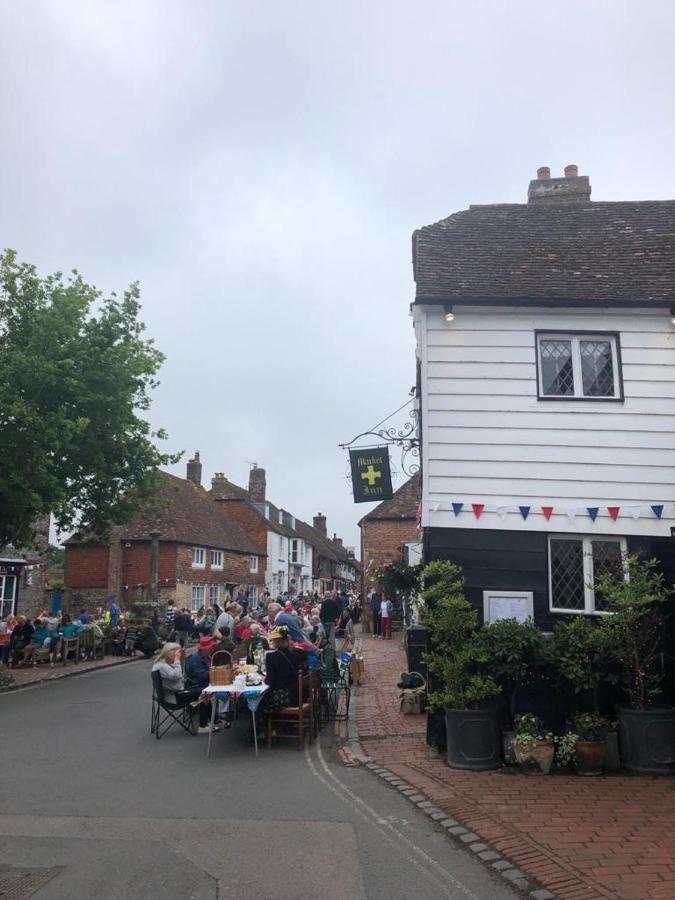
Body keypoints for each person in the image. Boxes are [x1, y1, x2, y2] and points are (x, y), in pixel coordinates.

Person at [185, 636, 224, 733]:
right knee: (207, 693)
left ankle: (214, 719)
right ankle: (202, 725)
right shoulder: (196, 659)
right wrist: (214, 670)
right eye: (212, 647)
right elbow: (200, 677)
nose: (213, 649)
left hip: (202, 683)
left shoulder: (204, 657)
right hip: (195, 686)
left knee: (216, 689)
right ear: (206, 648)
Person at [264, 625, 307, 708]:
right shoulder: (298, 653)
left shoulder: (271, 657)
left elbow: (270, 681)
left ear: (275, 642)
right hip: (300, 695)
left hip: (284, 697)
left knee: (261, 701)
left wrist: (263, 680)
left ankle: (263, 720)